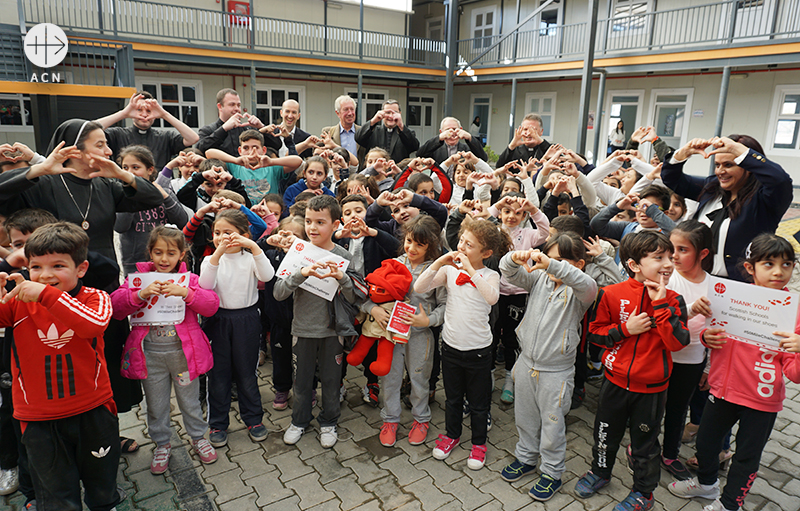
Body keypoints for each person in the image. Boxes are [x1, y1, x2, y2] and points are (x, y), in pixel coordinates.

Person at [0, 119, 164, 453]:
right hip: (53, 291)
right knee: (61, 360)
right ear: (76, 149)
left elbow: (153, 197)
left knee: (102, 362)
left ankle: (104, 436)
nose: (108, 151)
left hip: (101, 285)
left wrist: (120, 173)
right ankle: (60, 440)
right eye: (100, 144)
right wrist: (39, 168)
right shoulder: (46, 184)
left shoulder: (106, 185)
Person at [668, 233, 800, 511]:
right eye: (769, 264)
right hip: (722, 390)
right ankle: (706, 485)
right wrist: (706, 338)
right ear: (750, 267)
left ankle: (730, 504)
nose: (779, 271)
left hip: (761, 400)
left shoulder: (794, 311)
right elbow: (709, 331)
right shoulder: (731, 296)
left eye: (787, 264)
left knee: (747, 456)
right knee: (705, 444)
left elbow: (794, 373)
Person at [0, 222, 119, 510]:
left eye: (57, 266)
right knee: (57, 496)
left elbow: (92, 326)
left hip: (93, 411)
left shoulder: (95, 298)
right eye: (36, 266)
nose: (45, 275)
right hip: (38, 419)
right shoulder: (16, 303)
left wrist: (45, 294)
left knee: (102, 488)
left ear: (81, 268)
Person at [575, 230, 690, 511]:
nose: (667, 264)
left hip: (651, 390)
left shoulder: (674, 300)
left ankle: (643, 492)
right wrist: (626, 329)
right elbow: (594, 334)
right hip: (613, 383)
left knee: (645, 446)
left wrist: (660, 304)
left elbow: (677, 343)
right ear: (634, 265)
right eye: (658, 258)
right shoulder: (611, 294)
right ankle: (600, 472)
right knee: (604, 434)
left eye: (669, 257)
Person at [110, 226, 220, 474]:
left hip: (183, 356)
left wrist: (187, 294)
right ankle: (162, 444)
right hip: (150, 356)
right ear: (150, 252)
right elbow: (115, 308)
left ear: (182, 254)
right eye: (158, 252)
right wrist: (139, 294)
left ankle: (198, 437)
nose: (163, 259)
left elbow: (212, 305)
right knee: (156, 404)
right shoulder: (136, 280)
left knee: (189, 401)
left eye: (171, 253)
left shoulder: (189, 280)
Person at [499, 232, 597, 501]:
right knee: (525, 416)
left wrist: (551, 264)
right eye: (549, 257)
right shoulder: (540, 278)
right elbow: (508, 272)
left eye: (560, 261)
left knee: (552, 425)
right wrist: (513, 257)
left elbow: (586, 284)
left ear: (578, 264)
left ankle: (552, 472)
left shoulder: (581, 291)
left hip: (557, 371)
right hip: (527, 362)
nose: (549, 264)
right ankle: (526, 457)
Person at [415, 220, 511, 470]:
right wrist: (438, 263)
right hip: (450, 347)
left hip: (479, 351)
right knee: (453, 398)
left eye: (470, 245)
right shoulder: (449, 271)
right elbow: (420, 287)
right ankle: (451, 434)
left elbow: (491, 298)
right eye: (462, 242)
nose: (462, 247)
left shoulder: (490, 275)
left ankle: (479, 443)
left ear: (486, 253)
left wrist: (470, 269)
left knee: (479, 403)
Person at [274, 195, 365, 449]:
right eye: (309, 221)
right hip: (302, 330)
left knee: (331, 381)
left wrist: (342, 278)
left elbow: (357, 295)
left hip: (332, 332)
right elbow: (278, 292)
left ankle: (329, 422)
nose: (312, 228)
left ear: (336, 225)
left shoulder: (343, 255)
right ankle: (299, 421)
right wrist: (300, 274)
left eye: (320, 222)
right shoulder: (298, 253)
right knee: (301, 383)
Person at [660, 135, 793, 282]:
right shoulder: (711, 188)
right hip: (698, 279)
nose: (720, 171)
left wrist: (737, 149)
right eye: (717, 165)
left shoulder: (765, 200)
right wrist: (684, 152)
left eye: (728, 165)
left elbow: (780, 180)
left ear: (748, 166)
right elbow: (671, 178)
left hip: (741, 286)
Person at [199, 209, 275, 448]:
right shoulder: (209, 261)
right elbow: (204, 285)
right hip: (217, 320)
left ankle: (253, 419)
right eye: (217, 233)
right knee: (218, 375)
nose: (222, 237)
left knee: (246, 372)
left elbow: (268, 275)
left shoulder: (251, 258)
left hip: (247, 319)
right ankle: (218, 423)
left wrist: (254, 247)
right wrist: (218, 253)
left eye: (228, 233)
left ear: (244, 235)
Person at [372, 215, 445, 447]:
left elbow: (445, 306)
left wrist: (429, 320)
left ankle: (421, 418)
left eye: (420, 245)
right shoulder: (393, 264)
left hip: (420, 335)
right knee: (390, 378)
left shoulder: (437, 271)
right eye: (409, 241)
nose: (412, 248)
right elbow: (371, 293)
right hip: (390, 335)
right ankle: (390, 419)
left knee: (419, 378)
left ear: (431, 246)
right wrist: (374, 310)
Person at [656, 220, 714, 481]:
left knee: (678, 409)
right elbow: (660, 317)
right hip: (658, 355)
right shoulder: (664, 278)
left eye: (683, 250)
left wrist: (709, 367)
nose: (674, 256)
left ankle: (669, 454)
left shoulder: (715, 288)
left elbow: (720, 332)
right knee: (652, 406)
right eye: (671, 249)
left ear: (703, 254)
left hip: (692, 359)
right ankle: (641, 448)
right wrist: (690, 309)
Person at [489, 194, 550, 404]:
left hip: (519, 294)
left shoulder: (529, 235)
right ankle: (488, 375)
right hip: (495, 293)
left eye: (517, 212)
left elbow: (546, 231)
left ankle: (509, 379)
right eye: (506, 211)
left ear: (524, 215)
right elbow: (479, 223)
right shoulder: (494, 233)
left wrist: (534, 209)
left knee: (512, 339)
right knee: (493, 334)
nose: (511, 216)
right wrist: (496, 205)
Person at [113, 145, 191, 276]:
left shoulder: (164, 192)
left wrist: (165, 197)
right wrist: (132, 194)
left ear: (150, 170)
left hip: (167, 262)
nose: (129, 172)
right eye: (125, 167)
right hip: (135, 263)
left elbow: (182, 221)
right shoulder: (121, 194)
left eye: (135, 167)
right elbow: (120, 227)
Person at [95, 91, 199, 169]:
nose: (144, 114)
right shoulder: (118, 134)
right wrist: (124, 113)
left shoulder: (165, 137)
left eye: (149, 111)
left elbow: (193, 138)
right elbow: (88, 128)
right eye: (139, 110)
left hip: (159, 189)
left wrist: (164, 114)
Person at [206, 129, 303, 205]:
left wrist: (271, 161)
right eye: (246, 148)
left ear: (263, 150)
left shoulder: (272, 167)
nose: (251, 152)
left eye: (255, 147)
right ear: (240, 151)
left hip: (269, 213)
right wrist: (235, 160)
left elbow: (298, 161)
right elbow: (209, 153)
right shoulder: (236, 165)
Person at [197, 88, 278, 157]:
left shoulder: (247, 129)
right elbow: (201, 149)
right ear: (220, 107)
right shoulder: (207, 130)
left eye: (238, 105)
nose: (237, 109)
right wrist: (224, 129)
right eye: (232, 105)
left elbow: (277, 145)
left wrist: (261, 127)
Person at [355, 100, 420, 164]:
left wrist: (401, 126)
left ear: (400, 113)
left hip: (398, 172)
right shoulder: (373, 131)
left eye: (394, 112)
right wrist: (373, 121)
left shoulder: (406, 132)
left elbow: (414, 147)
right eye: (388, 113)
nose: (391, 116)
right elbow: (358, 138)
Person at [417, 117, 488, 165]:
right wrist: (439, 138)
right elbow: (420, 154)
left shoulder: (466, 149)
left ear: (461, 129)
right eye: (447, 130)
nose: (451, 133)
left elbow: (483, 158)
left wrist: (469, 138)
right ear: (441, 132)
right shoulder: (435, 149)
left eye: (455, 129)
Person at [321, 95, 365, 166]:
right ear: (337, 113)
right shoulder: (328, 132)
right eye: (346, 110)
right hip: (337, 174)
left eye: (352, 109)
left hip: (358, 175)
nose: (350, 113)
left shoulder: (362, 131)